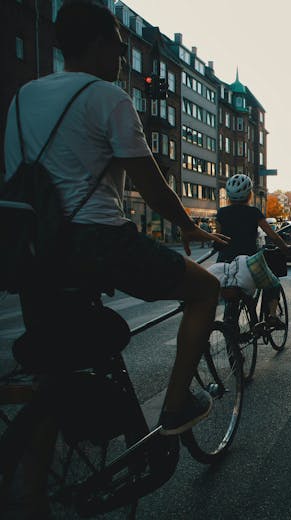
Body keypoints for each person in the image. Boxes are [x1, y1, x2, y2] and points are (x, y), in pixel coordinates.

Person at [3, 2, 228, 438]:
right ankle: (176, 405)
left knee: (54, 366)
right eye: (120, 50)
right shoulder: (108, 97)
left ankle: (31, 495)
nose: (122, 61)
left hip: (36, 254)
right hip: (98, 241)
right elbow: (150, 183)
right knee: (206, 289)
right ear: (102, 43)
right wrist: (186, 224)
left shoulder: (21, 99)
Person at [215, 173, 288, 327]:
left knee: (230, 293)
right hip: (249, 262)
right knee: (273, 284)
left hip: (225, 262)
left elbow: (219, 238)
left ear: (228, 195)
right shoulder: (254, 212)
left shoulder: (221, 213)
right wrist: (285, 247)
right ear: (249, 194)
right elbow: (272, 235)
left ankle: (231, 335)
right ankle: (271, 316)